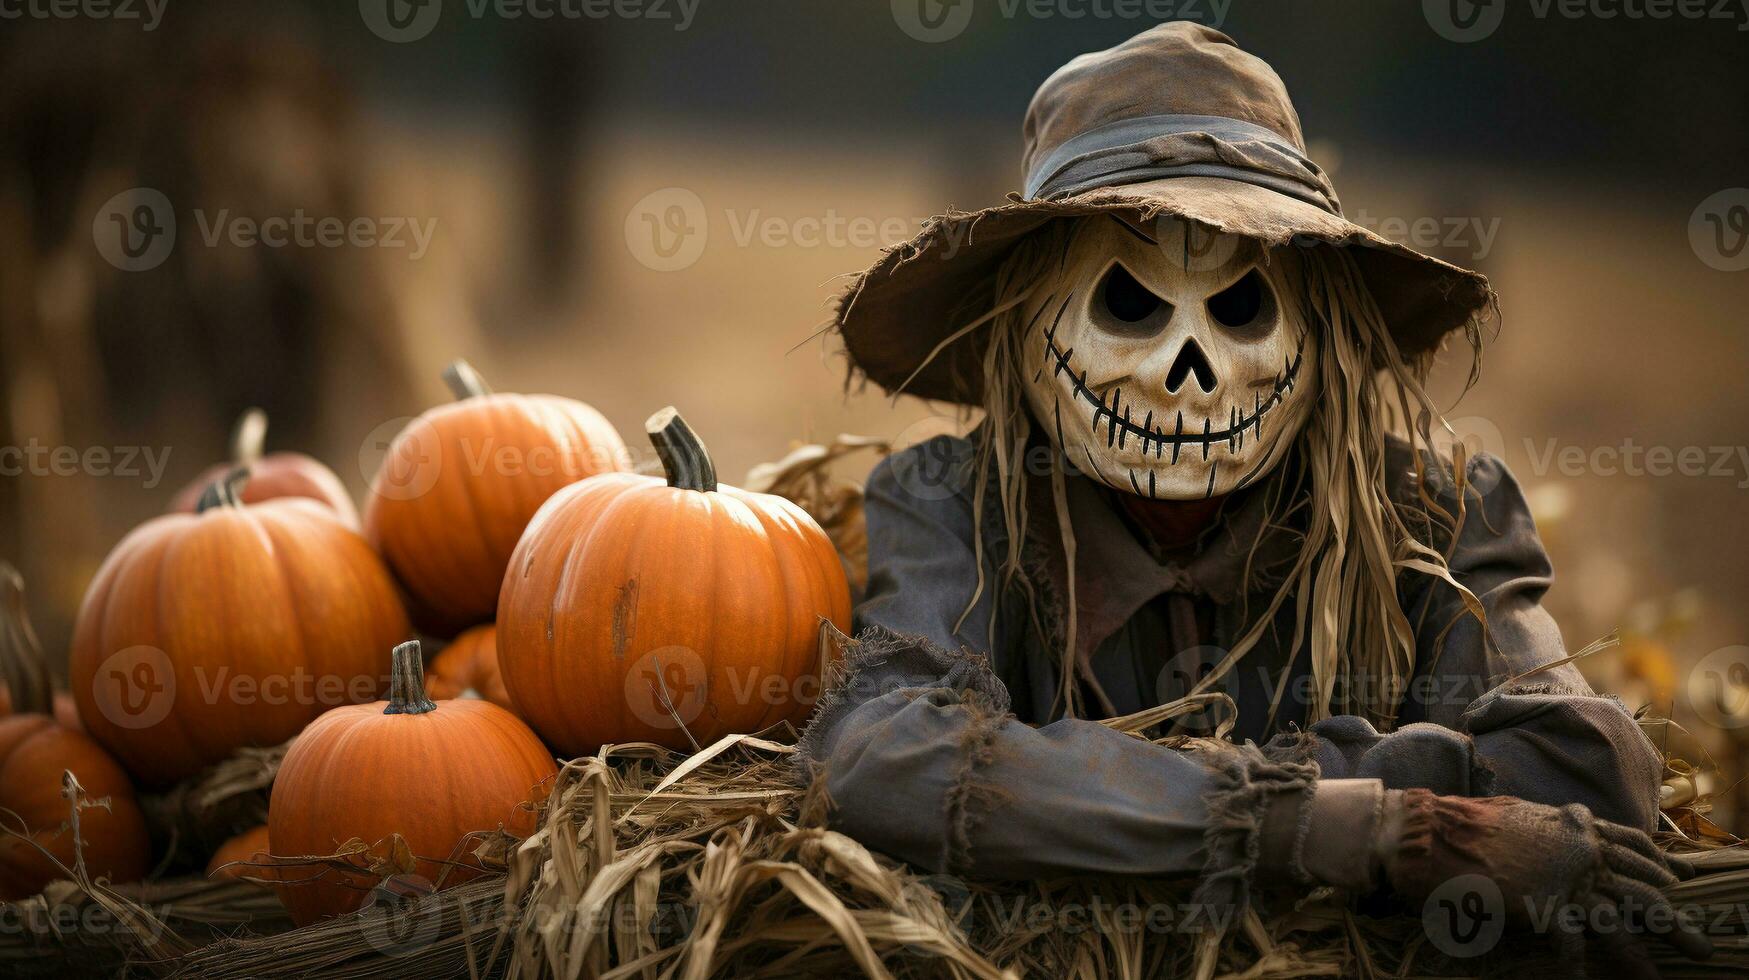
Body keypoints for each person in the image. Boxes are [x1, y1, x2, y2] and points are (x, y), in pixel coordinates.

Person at [799, 22, 1709, 968]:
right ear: (1020, 331)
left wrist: (1073, 789)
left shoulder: (1434, 513)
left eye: (1242, 309)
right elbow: (886, 756)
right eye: (1126, 304)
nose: (1188, 376)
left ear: (1320, 334)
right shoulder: (950, 500)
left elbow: (1578, 769)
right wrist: (1368, 824)